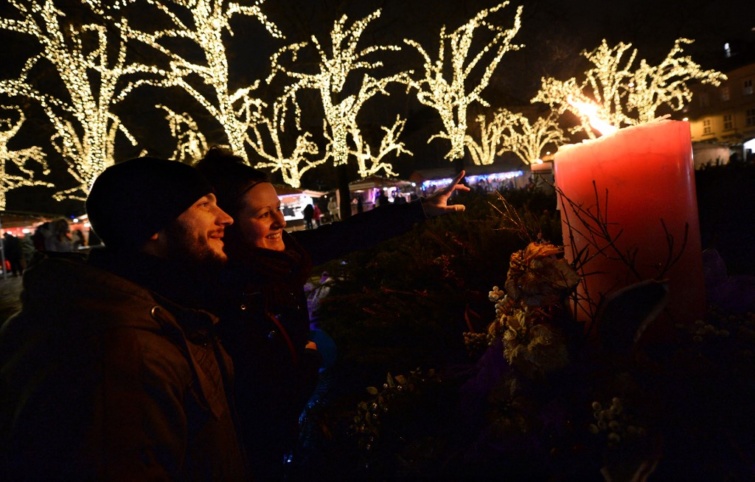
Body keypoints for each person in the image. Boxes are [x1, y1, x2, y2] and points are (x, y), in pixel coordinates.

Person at [194, 146, 468, 479]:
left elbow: (344, 235)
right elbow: (256, 394)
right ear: (228, 223)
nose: (280, 221)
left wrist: (420, 210)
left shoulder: (285, 259)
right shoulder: (219, 291)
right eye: (264, 214)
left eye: (278, 209)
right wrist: (308, 360)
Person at [0, 157, 247, 480]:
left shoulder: (168, 308)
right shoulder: (123, 350)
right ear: (152, 225)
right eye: (203, 205)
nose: (226, 217)